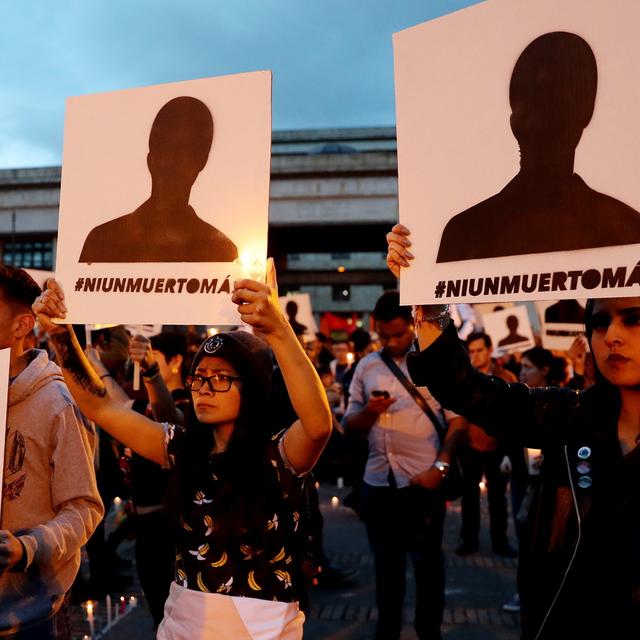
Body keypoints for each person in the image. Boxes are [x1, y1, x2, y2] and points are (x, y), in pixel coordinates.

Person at [34, 261, 332, 639]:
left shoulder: (278, 456)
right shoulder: (180, 447)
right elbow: (101, 408)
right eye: (199, 377)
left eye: (221, 378)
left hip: (263, 626)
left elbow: (319, 424)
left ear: (254, 389)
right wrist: (61, 335)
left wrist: (279, 331)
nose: (204, 388)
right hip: (185, 619)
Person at [388, 223, 640, 638]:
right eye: (598, 322)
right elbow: (462, 388)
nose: (612, 336)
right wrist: (429, 300)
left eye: (633, 319)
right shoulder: (569, 415)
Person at [436, 32, 640, 263]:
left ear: (586, 112)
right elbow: (442, 299)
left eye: (557, 104)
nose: (542, 121)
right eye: (533, 103)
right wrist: (413, 272)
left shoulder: (627, 229)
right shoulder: (625, 226)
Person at [343, 290, 467, 640]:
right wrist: (370, 411)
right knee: (386, 572)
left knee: (428, 569)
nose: (392, 341)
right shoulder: (366, 367)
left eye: (398, 334)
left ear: (412, 324)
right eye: (384, 335)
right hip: (379, 486)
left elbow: (458, 421)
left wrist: (440, 469)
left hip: (422, 484)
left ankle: (430, 633)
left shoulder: (433, 365)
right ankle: (388, 632)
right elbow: (349, 424)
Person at [0, 266, 103, 638]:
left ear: (22, 324)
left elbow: (84, 508)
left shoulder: (57, 402)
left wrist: (26, 548)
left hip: (29, 615)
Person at [79, 96, 238, 263]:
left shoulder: (221, 252)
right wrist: (59, 290)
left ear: (201, 161)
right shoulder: (102, 240)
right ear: (151, 159)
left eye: (185, 150)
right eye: (166, 147)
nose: (173, 161)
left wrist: (266, 290)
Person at [456, 331, 517, 558]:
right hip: (469, 445)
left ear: (490, 350)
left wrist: (510, 450)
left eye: (479, 350)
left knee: (498, 499)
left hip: (498, 447)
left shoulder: (506, 377)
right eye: (471, 351)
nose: (476, 355)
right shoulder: (464, 378)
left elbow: (515, 416)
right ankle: (469, 540)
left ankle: (500, 542)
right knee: (469, 497)